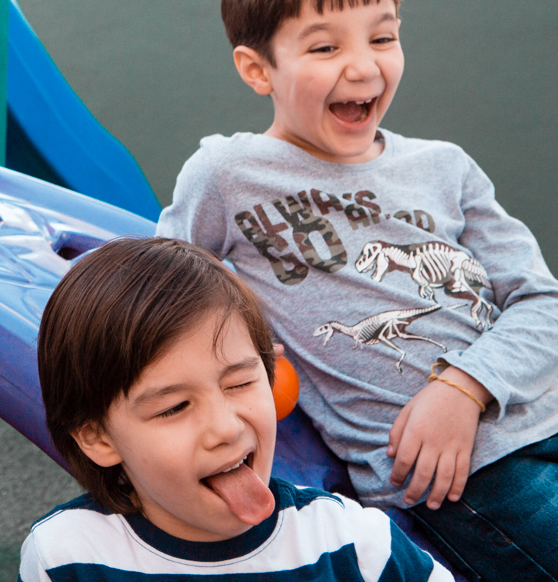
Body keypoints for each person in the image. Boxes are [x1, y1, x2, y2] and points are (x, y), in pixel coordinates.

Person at [155, 0, 558, 579]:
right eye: (323, 46)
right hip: (463, 472)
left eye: (383, 36)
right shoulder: (231, 174)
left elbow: (542, 302)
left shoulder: (445, 167)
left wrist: (464, 384)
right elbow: (159, 280)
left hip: (527, 401)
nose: (364, 65)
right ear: (259, 69)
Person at [23, 237, 449, 581]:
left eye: (241, 383)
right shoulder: (67, 556)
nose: (225, 428)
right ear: (97, 436)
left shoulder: (351, 542)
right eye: (174, 407)